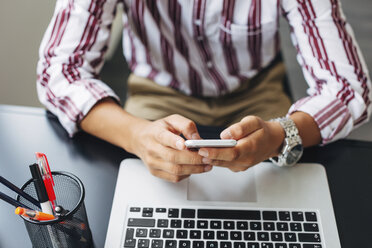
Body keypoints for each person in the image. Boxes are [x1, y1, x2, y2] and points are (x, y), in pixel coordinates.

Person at [37, 0, 371, 182]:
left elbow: (347, 88)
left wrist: (280, 134)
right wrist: (135, 135)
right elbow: (59, 71)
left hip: (256, 90)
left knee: (280, 201)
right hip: (159, 92)